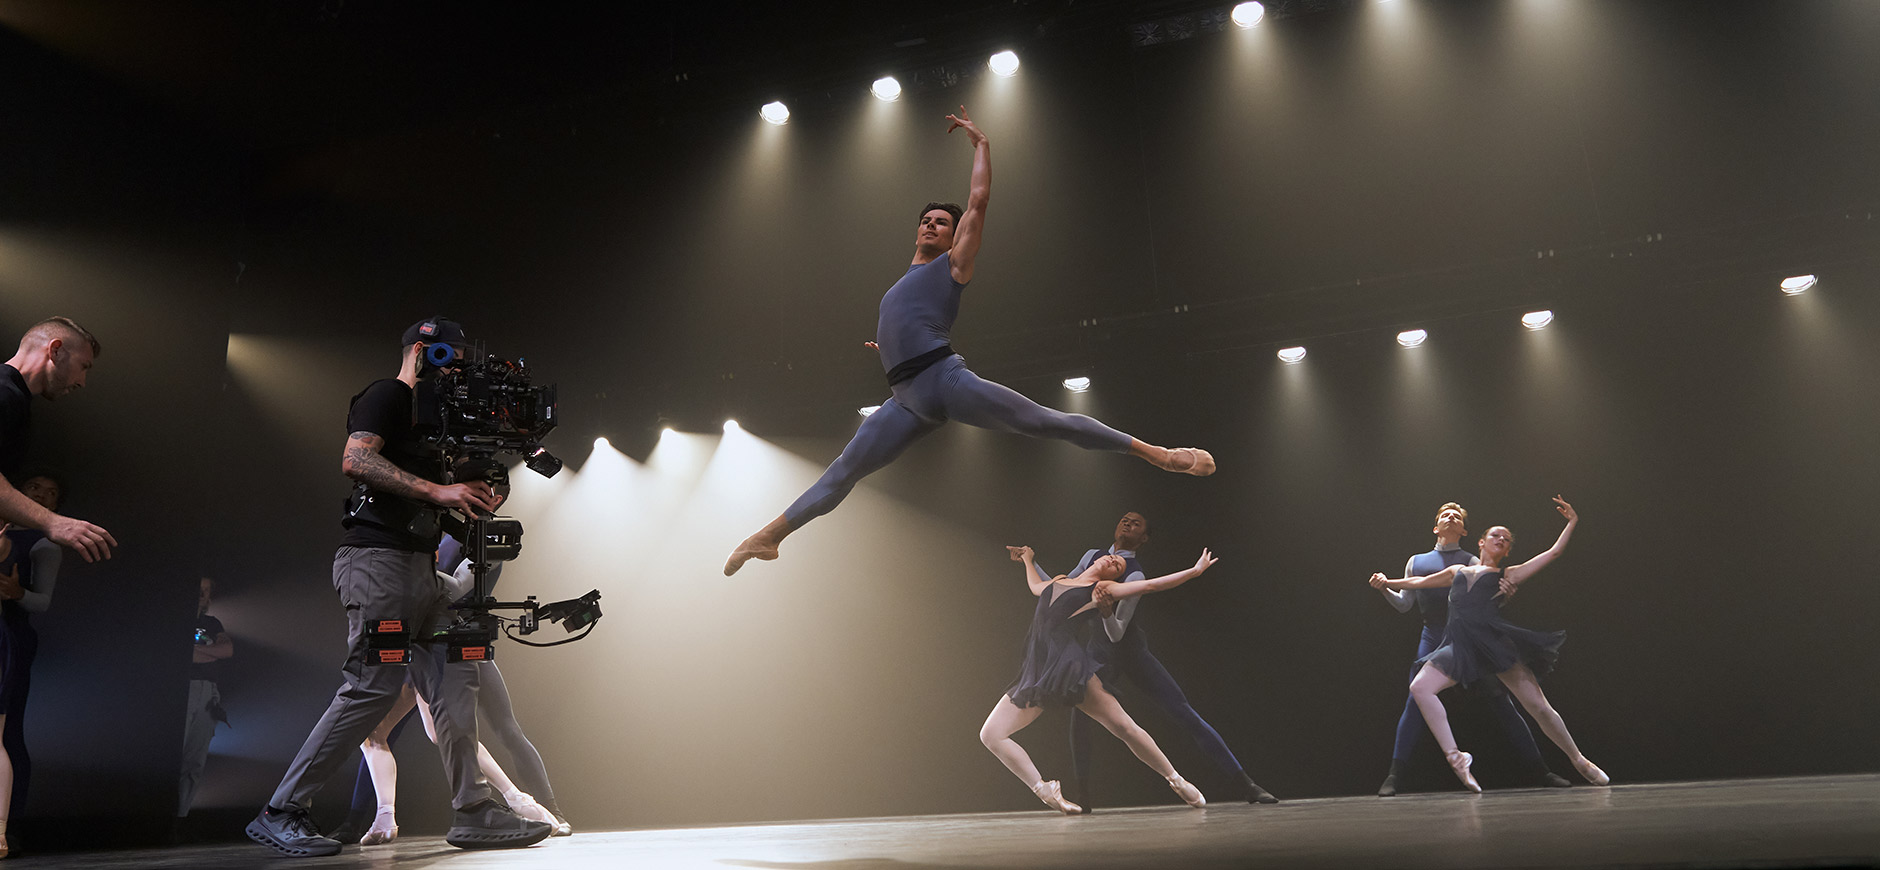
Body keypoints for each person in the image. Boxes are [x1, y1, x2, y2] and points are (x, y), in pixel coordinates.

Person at [723, 108, 1215, 576]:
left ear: (957, 237)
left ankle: (1158, 454)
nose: (931, 224)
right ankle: (768, 536)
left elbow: (977, 200)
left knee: (1045, 422)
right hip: (904, 400)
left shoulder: (952, 266)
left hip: (945, 379)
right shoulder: (900, 283)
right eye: (926, 219)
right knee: (843, 470)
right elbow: (904, 327)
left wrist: (981, 144)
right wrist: (889, 353)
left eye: (942, 221)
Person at [245, 318, 551, 857]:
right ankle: (282, 810)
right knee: (374, 685)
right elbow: (355, 459)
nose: (455, 370)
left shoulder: (437, 425)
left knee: (458, 679)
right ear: (422, 352)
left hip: (421, 573)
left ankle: (474, 810)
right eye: (448, 358)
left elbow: (437, 496)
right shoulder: (388, 395)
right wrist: (439, 489)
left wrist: (466, 498)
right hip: (378, 564)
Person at [331, 528, 572, 844]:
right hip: (426, 639)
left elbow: (455, 590)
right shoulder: (437, 533)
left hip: (447, 642)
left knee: (491, 730)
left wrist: (414, 576)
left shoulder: (481, 536)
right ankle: (372, 819)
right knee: (385, 733)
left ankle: (534, 805)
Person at [1033, 512, 1276, 809]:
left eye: (1136, 524)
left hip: (1130, 651)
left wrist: (1108, 611)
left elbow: (1118, 633)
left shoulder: (1134, 573)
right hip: (1097, 651)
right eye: (1125, 519)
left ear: (1144, 538)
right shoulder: (1093, 557)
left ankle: (1246, 784)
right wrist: (1030, 562)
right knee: (1080, 716)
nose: (1128, 524)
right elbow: (1058, 590)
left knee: (1183, 711)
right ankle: (1083, 795)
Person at [1369, 496, 1608, 792]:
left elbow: (1554, 553)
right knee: (1419, 687)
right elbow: (1417, 583)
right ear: (1481, 542)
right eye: (1495, 534)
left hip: (1493, 646)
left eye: (1506, 539)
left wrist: (1572, 521)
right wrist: (1387, 582)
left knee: (1537, 707)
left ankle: (1578, 759)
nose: (1501, 538)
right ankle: (1456, 758)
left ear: (1506, 550)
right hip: (1459, 646)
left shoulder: (1506, 574)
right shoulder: (1457, 571)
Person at [980, 544, 1217, 814]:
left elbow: (1150, 586)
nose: (1114, 560)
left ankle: (1176, 780)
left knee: (1124, 728)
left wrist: (1194, 571)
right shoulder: (1059, 580)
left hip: (1069, 667)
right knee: (991, 734)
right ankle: (1045, 790)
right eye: (1113, 558)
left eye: (1118, 567)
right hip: (1039, 670)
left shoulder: (1101, 590)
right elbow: (1037, 587)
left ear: (1112, 579)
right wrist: (1027, 558)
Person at [0, 318, 116, 565]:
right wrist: (51, 521)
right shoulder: (3, 392)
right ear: (55, 350)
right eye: (83, 366)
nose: (82, 381)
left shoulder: (16, 399)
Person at [178, 576, 232, 817]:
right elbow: (183, 656)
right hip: (185, 690)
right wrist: (211, 653)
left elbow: (227, 650)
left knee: (194, 763)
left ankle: (179, 817)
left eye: (206, 591)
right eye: (198, 590)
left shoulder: (213, 622)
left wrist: (197, 651)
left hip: (208, 693)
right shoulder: (177, 618)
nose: (201, 595)